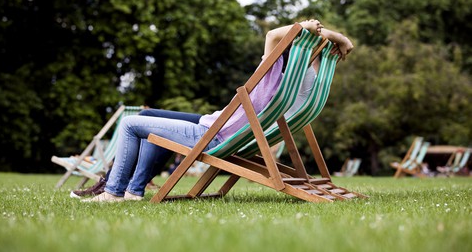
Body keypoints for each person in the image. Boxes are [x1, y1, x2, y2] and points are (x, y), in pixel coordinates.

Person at [83, 20, 353, 202]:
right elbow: (313, 55)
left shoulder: (267, 77)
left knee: (132, 123)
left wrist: (303, 26)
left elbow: (272, 35)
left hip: (213, 134)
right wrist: (334, 38)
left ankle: (113, 191)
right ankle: (133, 189)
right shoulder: (301, 90)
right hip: (230, 136)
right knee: (149, 122)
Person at [70, 107, 202, 198]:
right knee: (150, 121)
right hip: (213, 122)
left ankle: (116, 187)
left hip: (213, 127)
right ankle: (133, 189)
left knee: (144, 118)